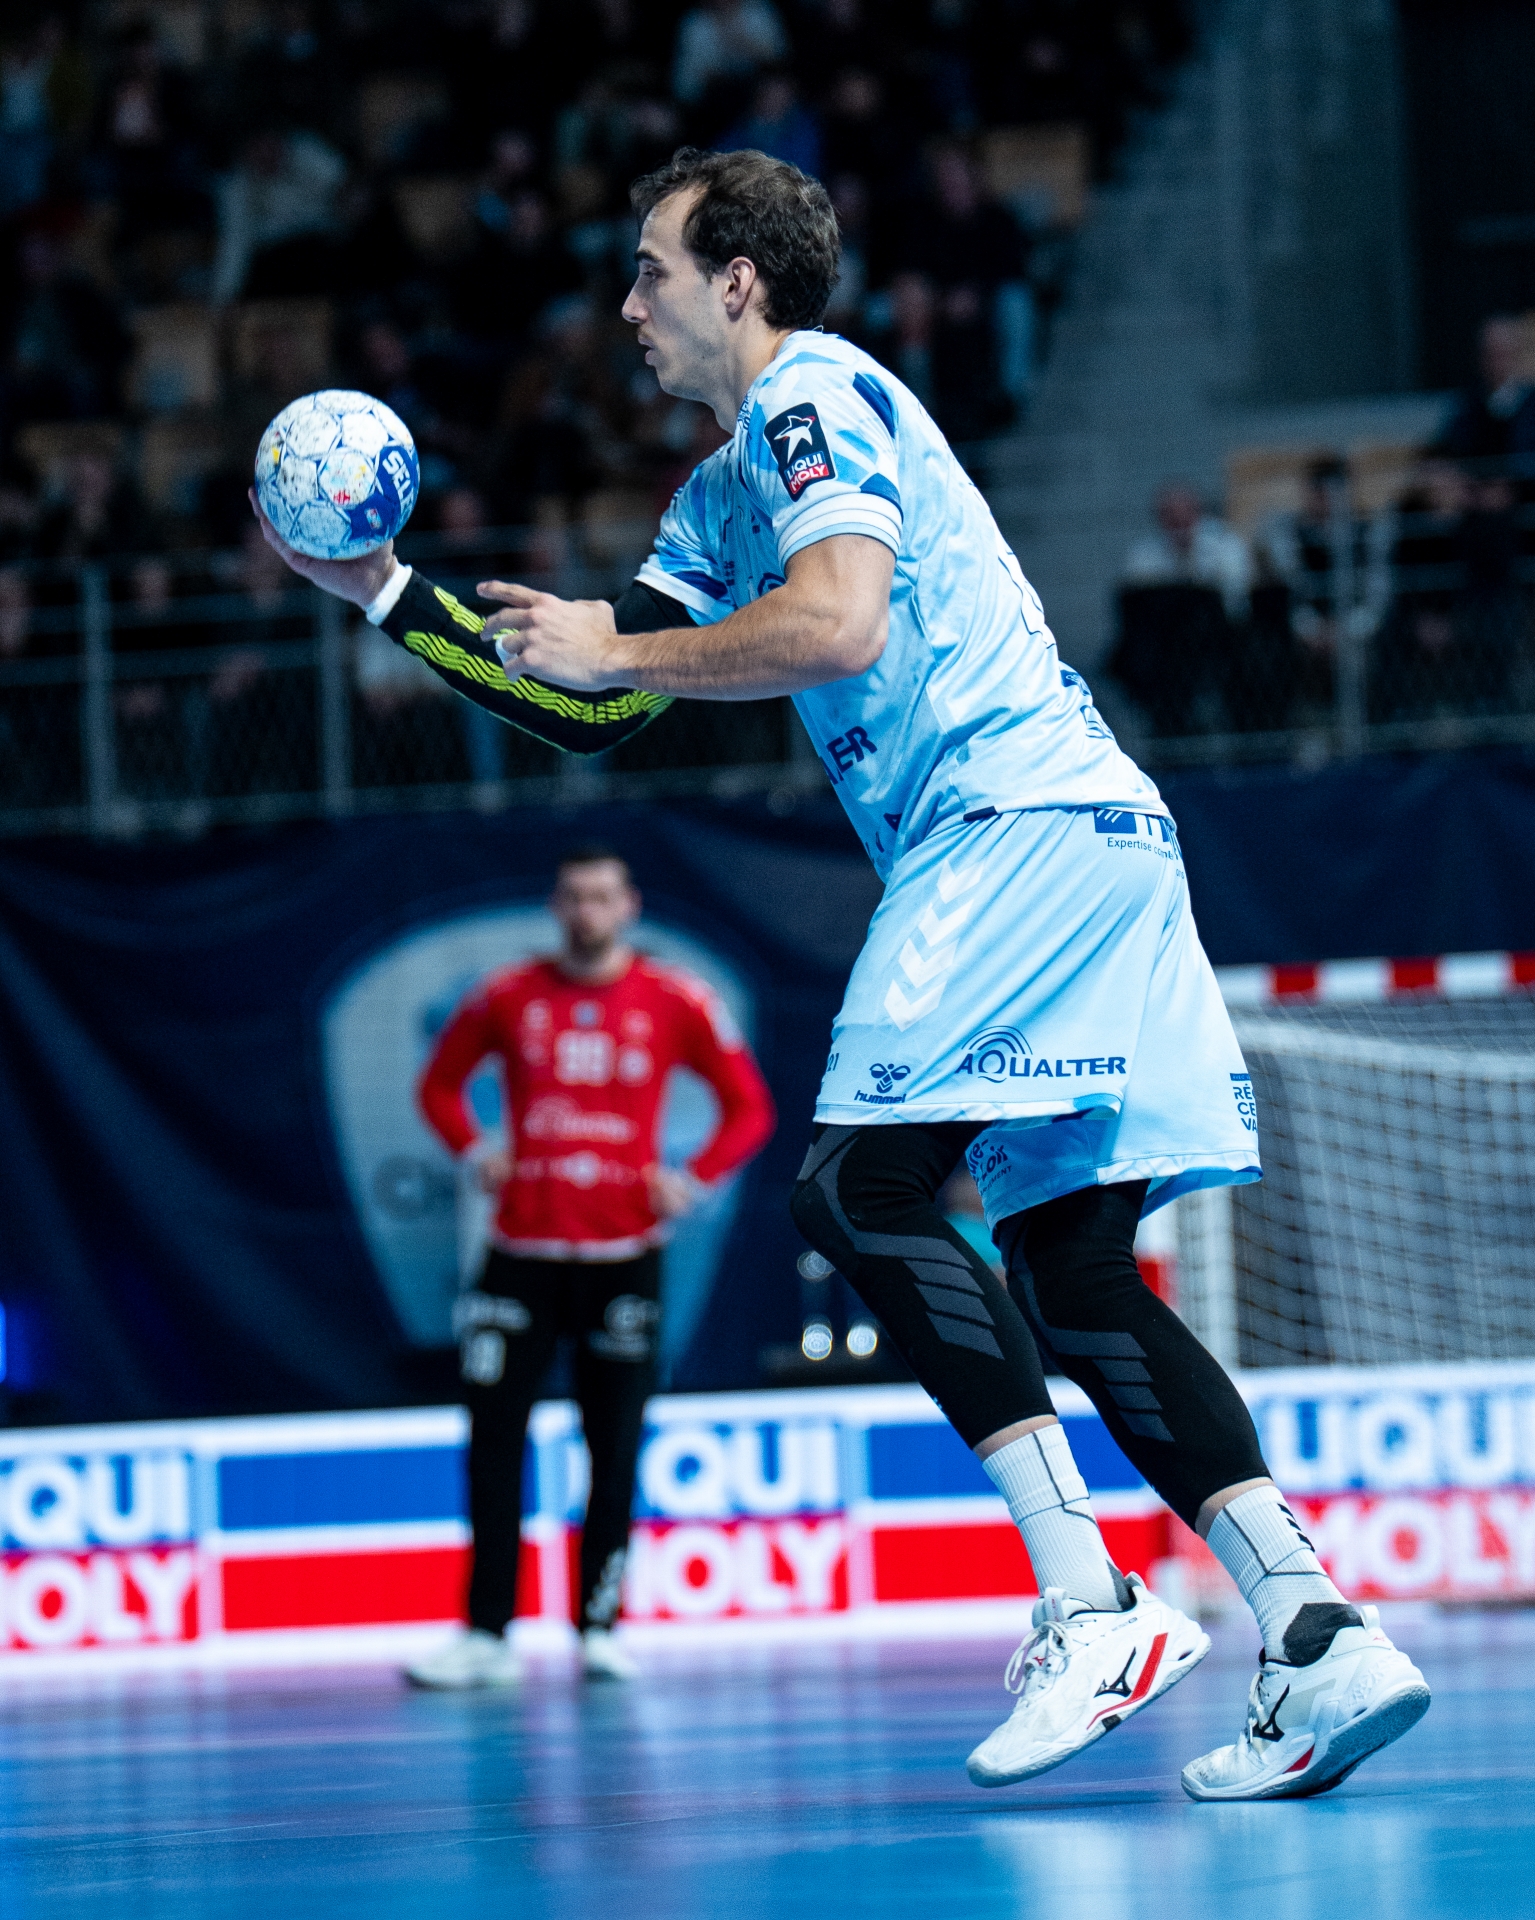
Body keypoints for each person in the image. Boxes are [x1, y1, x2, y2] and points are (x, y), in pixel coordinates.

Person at [252, 146, 1430, 1800]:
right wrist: (381, 591)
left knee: (857, 1192)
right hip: (1097, 837)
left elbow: (839, 625)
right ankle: (1315, 1634)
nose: (626, 305)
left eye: (650, 268)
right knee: (1077, 1275)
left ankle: (1089, 1602)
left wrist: (621, 642)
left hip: (1003, 828)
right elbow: (601, 705)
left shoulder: (811, 394)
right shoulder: (722, 492)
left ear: (736, 280)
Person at [405, 844, 775, 1688]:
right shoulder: (508, 993)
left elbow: (749, 1108)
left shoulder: (675, 998)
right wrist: (475, 1151)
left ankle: (599, 1626)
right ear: (555, 905)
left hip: (622, 1254)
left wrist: (692, 1179)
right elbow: (438, 1086)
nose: (587, 912)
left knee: (614, 1444)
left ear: (629, 905)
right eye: (573, 896)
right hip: (520, 1253)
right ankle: (486, 1634)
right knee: (492, 1443)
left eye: (602, 896)